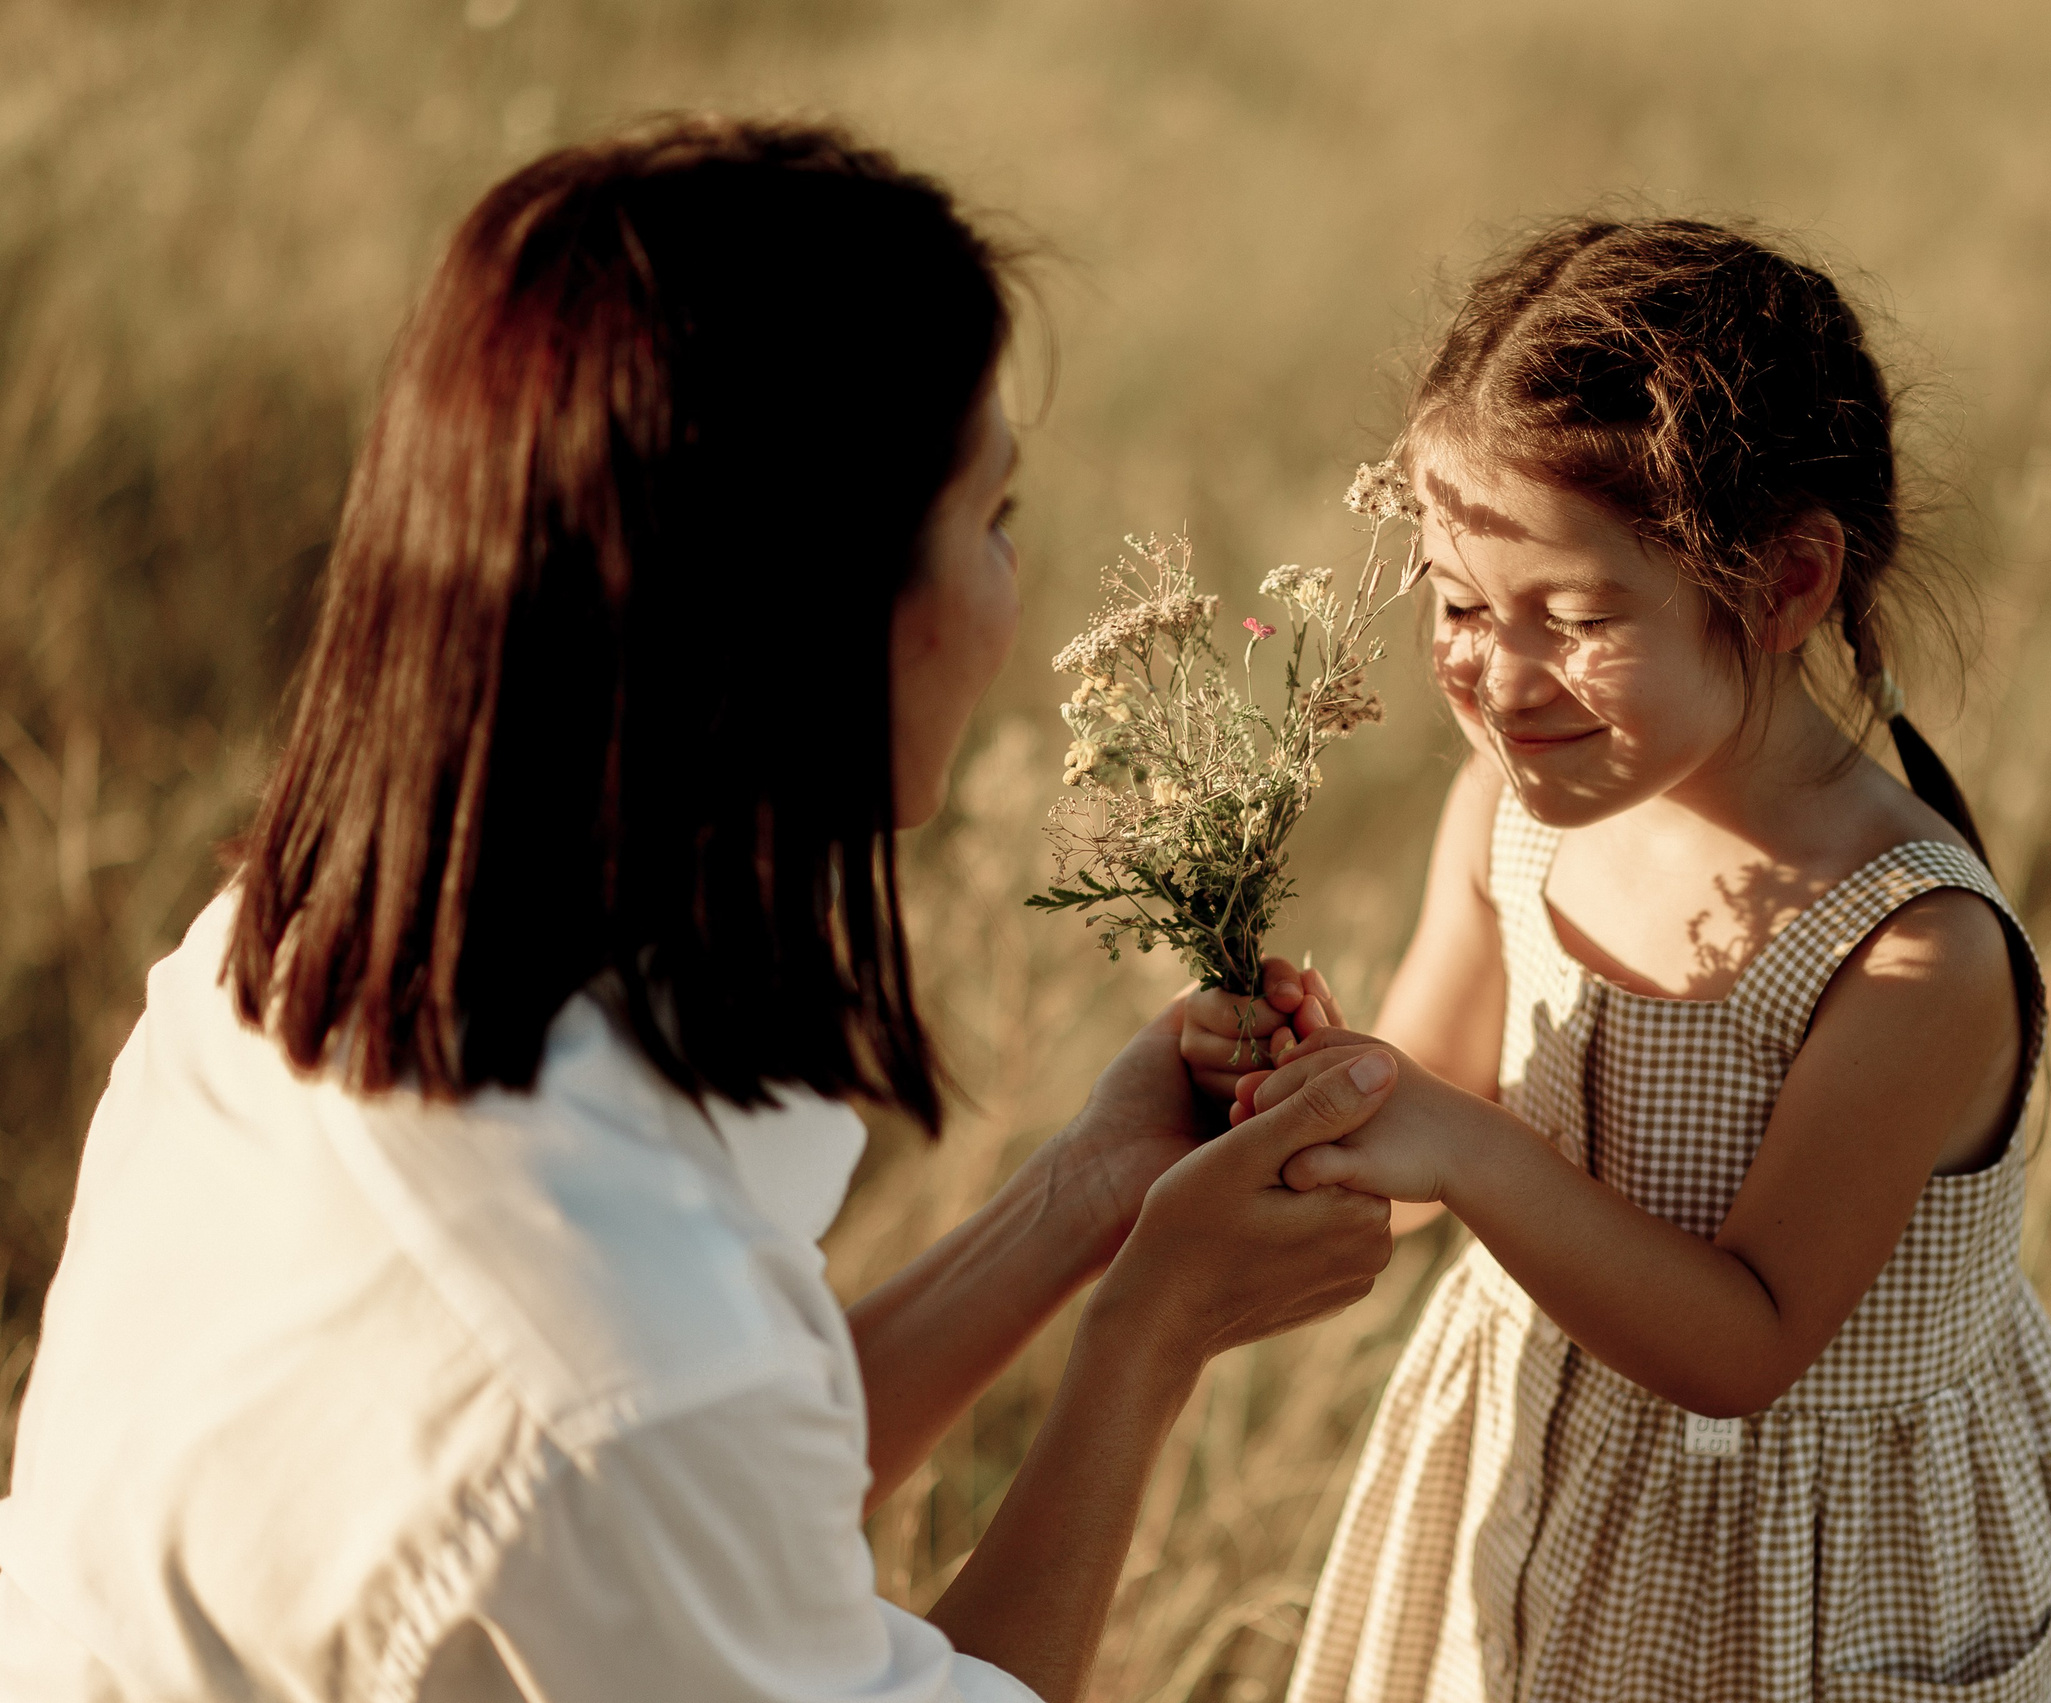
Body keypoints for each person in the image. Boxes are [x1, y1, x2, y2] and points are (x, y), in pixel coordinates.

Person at [0, 118, 1398, 1703]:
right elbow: (636, 1445)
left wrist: (1080, 1203)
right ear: (806, 614)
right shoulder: (622, 1372)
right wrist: (1152, 1336)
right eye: (991, 520)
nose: (1018, 593)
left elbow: (680, 1518)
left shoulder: (284, 960)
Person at [1186, 222, 2051, 1701]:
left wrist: (1453, 1145)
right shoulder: (1507, 819)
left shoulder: (1910, 949)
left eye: (1577, 621)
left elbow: (1748, 1341)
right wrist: (1318, 1096)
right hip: (1533, 1497)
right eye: (1461, 605)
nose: (1500, 681)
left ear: (1784, 588)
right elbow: (1430, 1119)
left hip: (1813, 1585)